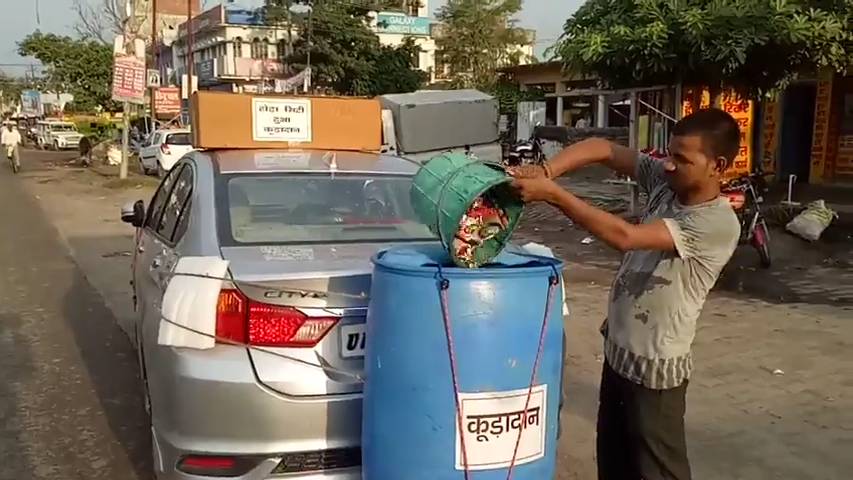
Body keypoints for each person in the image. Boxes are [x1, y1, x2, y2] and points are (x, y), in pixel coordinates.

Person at [512, 108, 742, 480]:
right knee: (615, 467)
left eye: (682, 159)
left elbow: (626, 237)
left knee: (657, 472)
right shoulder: (668, 184)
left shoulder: (715, 222)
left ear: (717, 165)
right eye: (669, 154)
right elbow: (603, 148)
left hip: (655, 375)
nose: (668, 165)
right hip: (618, 358)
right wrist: (548, 171)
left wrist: (553, 194)